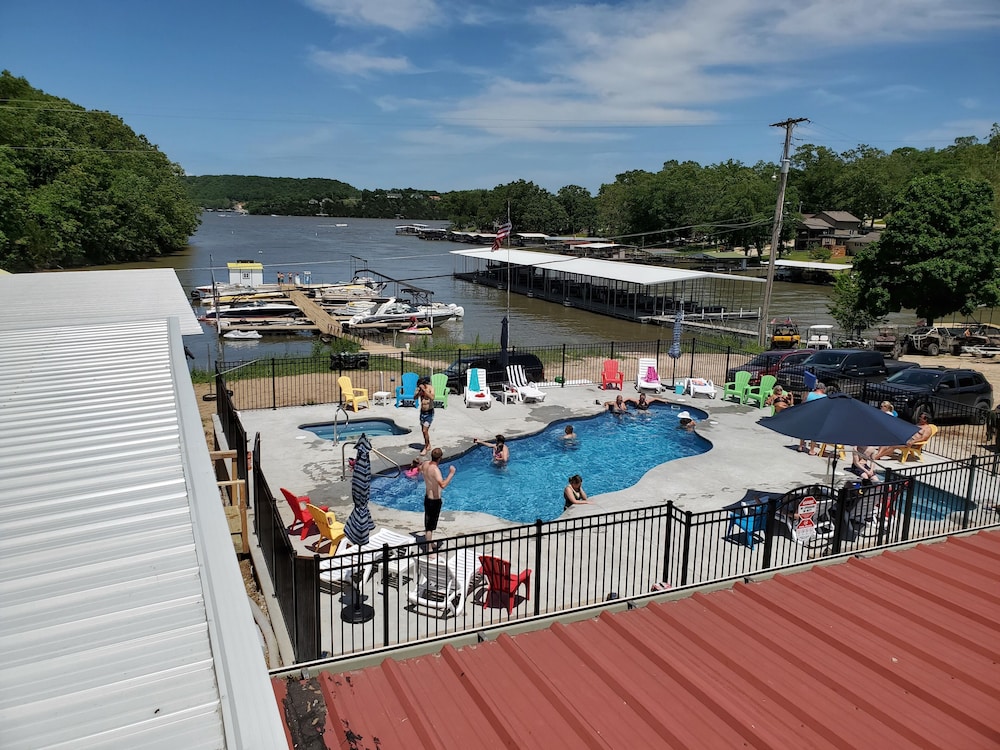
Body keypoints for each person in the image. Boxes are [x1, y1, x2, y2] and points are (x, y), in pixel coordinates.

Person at [421, 447, 455, 549]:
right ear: (440, 458)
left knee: (430, 523)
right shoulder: (435, 470)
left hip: (427, 497)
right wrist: (451, 474)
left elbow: (420, 469)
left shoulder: (425, 464)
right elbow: (443, 485)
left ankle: (430, 543)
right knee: (429, 527)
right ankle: (429, 550)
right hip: (434, 501)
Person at [799, 381, 827, 454]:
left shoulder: (809, 394)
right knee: (814, 433)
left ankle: (801, 446)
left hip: (807, 414)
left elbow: (803, 402)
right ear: (822, 389)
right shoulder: (825, 397)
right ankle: (811, 450)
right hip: (816, 416)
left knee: (803, 431)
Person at [415, 376, 435, 455]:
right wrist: (419, 392)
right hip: (422, 413)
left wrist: (424, 390)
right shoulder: (419, 390)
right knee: (424, 432)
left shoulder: (430, 388)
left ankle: (426, 448)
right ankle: (428, 444)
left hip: (429, 413)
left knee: (425, 430)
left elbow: (432, 397)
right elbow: (415, 398)